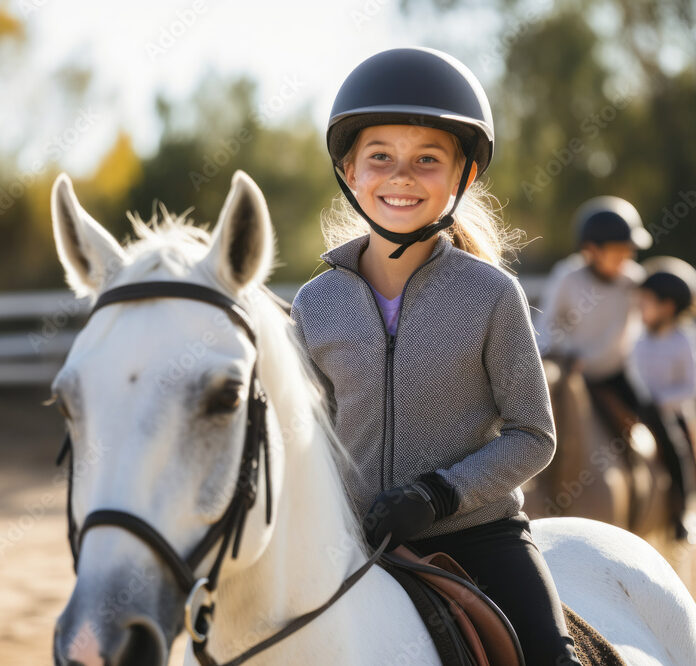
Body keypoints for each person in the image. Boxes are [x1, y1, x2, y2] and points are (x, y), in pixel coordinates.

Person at [290, 47, 581, 665]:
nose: (402, 176)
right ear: (348, 169)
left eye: (427, 159)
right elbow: (300, 437)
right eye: (380, 158)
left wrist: (437, 495)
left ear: (463, 176)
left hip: (478, 535)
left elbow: (533, 435)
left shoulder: (491, 294)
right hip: (349, 545)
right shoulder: (314, 304)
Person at [539, 200, 695, 540]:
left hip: (614, 375)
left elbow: (662, 303)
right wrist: (564, 353)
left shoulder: (633, 282)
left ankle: (680, 510)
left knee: (662, 424)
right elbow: (546, 325)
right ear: (591, 250)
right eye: (620, 250)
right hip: (570, 373)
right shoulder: (568, 278)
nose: (627, 257)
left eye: (630, 251)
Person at [627, 260, 696, 541]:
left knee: (677, 452)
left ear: (667, 307)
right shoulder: (639, 338)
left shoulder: (682, 341)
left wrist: (659, 401)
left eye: (647, 301)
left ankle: (681, 513)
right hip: (639, 406)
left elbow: (690, 386)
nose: (640, 306)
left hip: (668, 411)